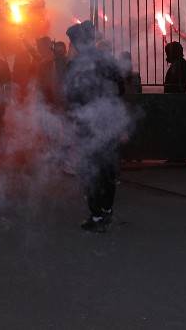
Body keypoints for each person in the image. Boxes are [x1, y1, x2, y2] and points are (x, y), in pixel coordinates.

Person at [64, 22, 127, 233]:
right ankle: (107, 210)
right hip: (109, 123)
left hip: (88, 126)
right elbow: (120, 89)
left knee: (90, 170)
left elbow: (71, 97)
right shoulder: (108, 61)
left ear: (77, 44)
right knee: (107, 169)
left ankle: (97, 215)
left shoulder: (76, 66)